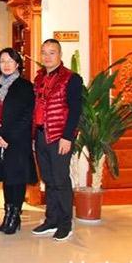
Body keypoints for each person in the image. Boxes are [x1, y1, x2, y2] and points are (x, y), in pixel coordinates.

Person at [32, 39, 83, 241]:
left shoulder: (72, 79)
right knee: (48, 180)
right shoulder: (39, 78)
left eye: (51, 52)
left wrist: (67, 137)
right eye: (44, 52)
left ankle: (65, 223)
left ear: (60, 55)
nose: (47, 56)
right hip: (40, 135)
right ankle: (51, 220)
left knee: (61, 180)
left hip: (59, 137)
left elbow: (75, 110)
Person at [0, 48, 37, 235]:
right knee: (7, 180)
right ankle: (8, 216)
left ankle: (14, 217)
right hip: (0, 140)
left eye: (10, 61)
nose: (6, 65)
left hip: (17, 142)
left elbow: (27, 116)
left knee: (17, 180)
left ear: (18, 64)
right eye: (2, 61)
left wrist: (7, 137)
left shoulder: (25, 86)